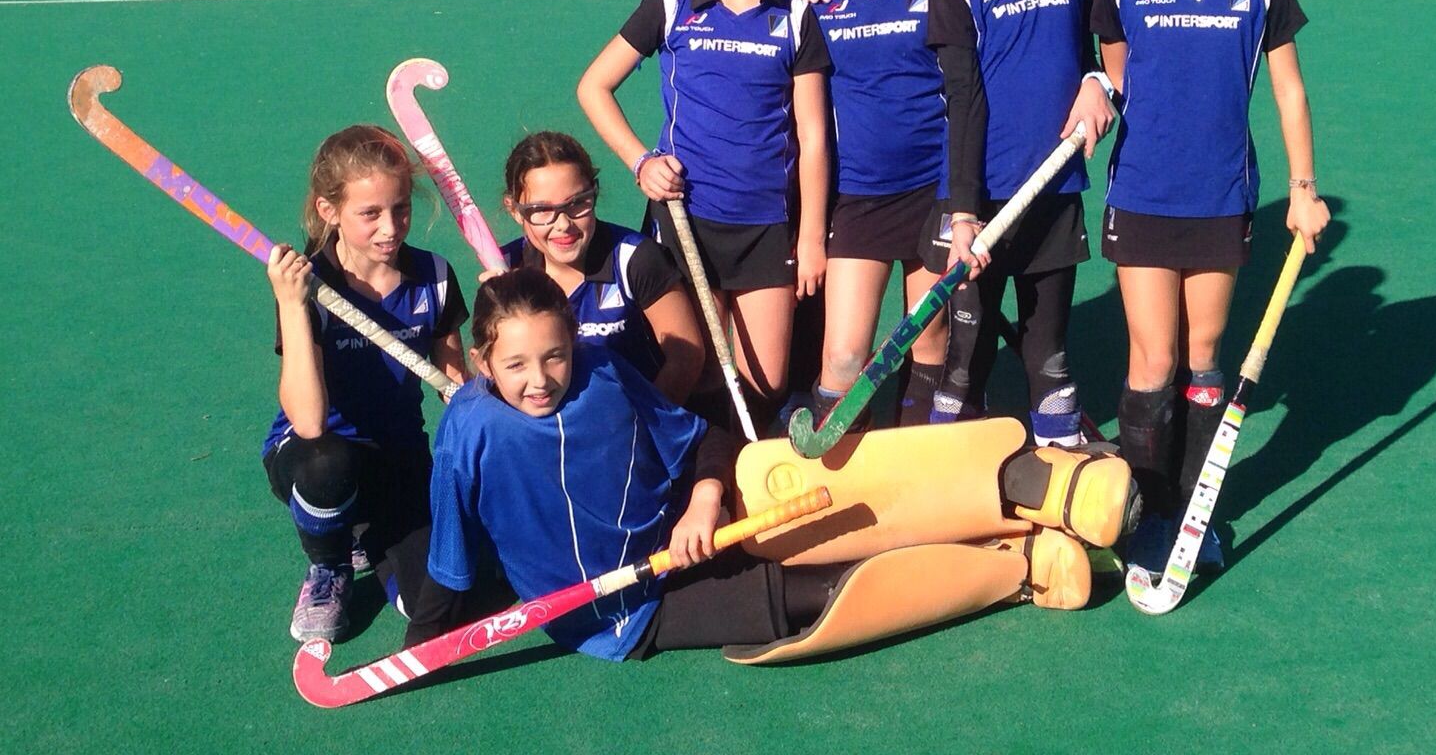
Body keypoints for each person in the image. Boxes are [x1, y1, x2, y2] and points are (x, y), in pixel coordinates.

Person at [405, 266, 1134, 662]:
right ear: (480, 364)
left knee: (816, 478)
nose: (541, 378)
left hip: (697, 528)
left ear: (574, 343)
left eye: (554, 354)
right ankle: (1018, 565)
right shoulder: (468, 434)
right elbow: (451, 564)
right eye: (517, 365)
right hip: (631, 608)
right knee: (821, 591)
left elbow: (707, 442)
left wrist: (703, 501)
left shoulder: (601, 375)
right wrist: (420, 646)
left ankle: (1039, 484)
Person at [1091, 0, 1331, 572]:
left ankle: (1195, 513)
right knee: (1151, 361)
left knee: (1202, 360)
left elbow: (1289, 90)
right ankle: (1147, 512)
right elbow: (1116, 80)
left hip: (1223, 201)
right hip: (1142, 199)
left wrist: (1303, 188)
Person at [577, 0, 831, 424]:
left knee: (764, 382)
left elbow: (813, 137)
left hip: (767, 225)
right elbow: (594, 86)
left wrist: (811, 236)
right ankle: (694, 484)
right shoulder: (669, 6)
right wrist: (640, 160)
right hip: (686, 219)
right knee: (693, 369)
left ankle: (739, 475)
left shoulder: (794, 17)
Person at [922, 0, 1118, 448]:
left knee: (1049, 347)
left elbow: (1092, 57)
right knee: (967, 351)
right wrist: (961, 215)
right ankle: (950, 475)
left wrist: (1098, 82)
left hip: (1054, 195)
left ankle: (1059, 469)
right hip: (979, 206)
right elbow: (963, 102)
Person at [262, 124, 469, 642]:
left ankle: (368, 535)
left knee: (437, 602)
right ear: (328, 210)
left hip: (400, 457)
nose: (390, 228)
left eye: (400, 208)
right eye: (370, 213)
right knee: (328, 463)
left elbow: (455, 385)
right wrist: (291, 303)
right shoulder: (310, 287)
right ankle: (328, 564)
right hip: (317, 456)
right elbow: (307, 419)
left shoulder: (435, 277)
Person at [809, 0, 949, 426]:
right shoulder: (814, 4)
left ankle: (917, 466)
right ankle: (838, 474)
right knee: (843, 358)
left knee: (930, 340)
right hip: (859, 199)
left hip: (935, 193)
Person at [498, 129, 704, 406]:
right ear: (514, 210)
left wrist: (639, 429)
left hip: (638, 424)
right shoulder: (507, 270)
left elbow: (686, 358)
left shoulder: (635, 260)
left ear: (594, 193)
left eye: (577, 203)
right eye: (542, 210)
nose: (563, 225)